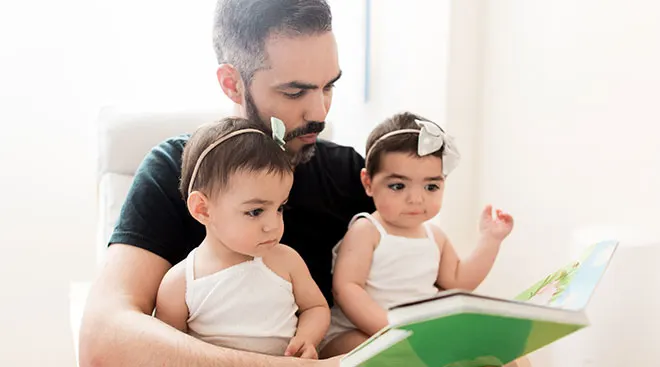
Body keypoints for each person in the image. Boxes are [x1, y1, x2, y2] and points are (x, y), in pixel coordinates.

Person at [79, 0, 371, 366]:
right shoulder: (175, 170)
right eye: (295, 93)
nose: (319, 113)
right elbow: (101, 341)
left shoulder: (350, 173)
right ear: (232, 84)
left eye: (328, 87)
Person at [320, 112, 524, 367]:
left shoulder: (434, 236)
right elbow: (347, 288)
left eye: (431, 187)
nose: (416, 199)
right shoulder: (368, 230)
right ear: (368, 182)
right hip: (355, 331)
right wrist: (392, 330)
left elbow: (459, 281)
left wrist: (490, 240)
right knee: (381, 356)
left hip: (415, 332)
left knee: (509, 357)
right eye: (398, 186)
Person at [153, 117, 330, 358]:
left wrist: (306, 338)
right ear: (203, 210)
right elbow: (168, 351)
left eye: (280, 208)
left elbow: (316, 308)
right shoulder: (180, 284)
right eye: (255, 212)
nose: (273, 225)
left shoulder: (286, 261)